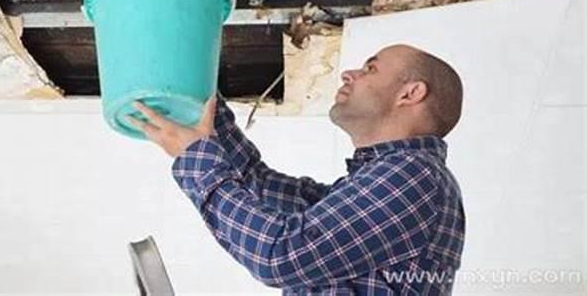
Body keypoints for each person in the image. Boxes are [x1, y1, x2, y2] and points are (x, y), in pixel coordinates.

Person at [128, 43, 465, 295]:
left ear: (410, 93)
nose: (350, 74)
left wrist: (196, 157)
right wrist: (197, 89)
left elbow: (281, 254)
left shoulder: (412, 177)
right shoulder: (379, 180)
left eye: (371, 69)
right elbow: (255, 184)